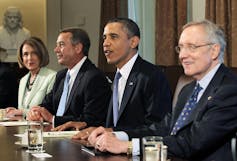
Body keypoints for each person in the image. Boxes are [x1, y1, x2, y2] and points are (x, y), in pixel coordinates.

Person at [88, 19, 237, 161]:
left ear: (214, 51)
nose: (183, 55)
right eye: (181, 47)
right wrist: (117, 135)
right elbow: (162, 128)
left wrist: (129, 146)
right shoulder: (188, 90)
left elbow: (193, 142)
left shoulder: (230, 90)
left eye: (192, 47)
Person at [52, 18, 172, 140]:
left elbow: (158, 128)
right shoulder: (118, 77)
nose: (105, 43)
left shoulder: (152, 76)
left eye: (113, 37)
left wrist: (113, 133)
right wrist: (86, 125)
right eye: (104, 38)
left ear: (133, 42)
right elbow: (113, 123)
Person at [27, 28, 111, 127]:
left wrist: (53, 119)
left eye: (61, 45)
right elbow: (46, 105)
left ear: (78, 48)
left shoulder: (94, 77)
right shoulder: (61, 76)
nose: (56, 50)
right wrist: (36, 112)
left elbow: (91, 119)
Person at [6, 37, 56, 117]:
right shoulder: (23, 80)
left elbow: (48, 110)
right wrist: (15, 111)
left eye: (34, 53)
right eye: (26, 54)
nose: (29, 58)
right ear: (22, 58)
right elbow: (22, 109)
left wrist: (21, 112)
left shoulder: (52, 77)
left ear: (41, 54)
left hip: (43, 127)